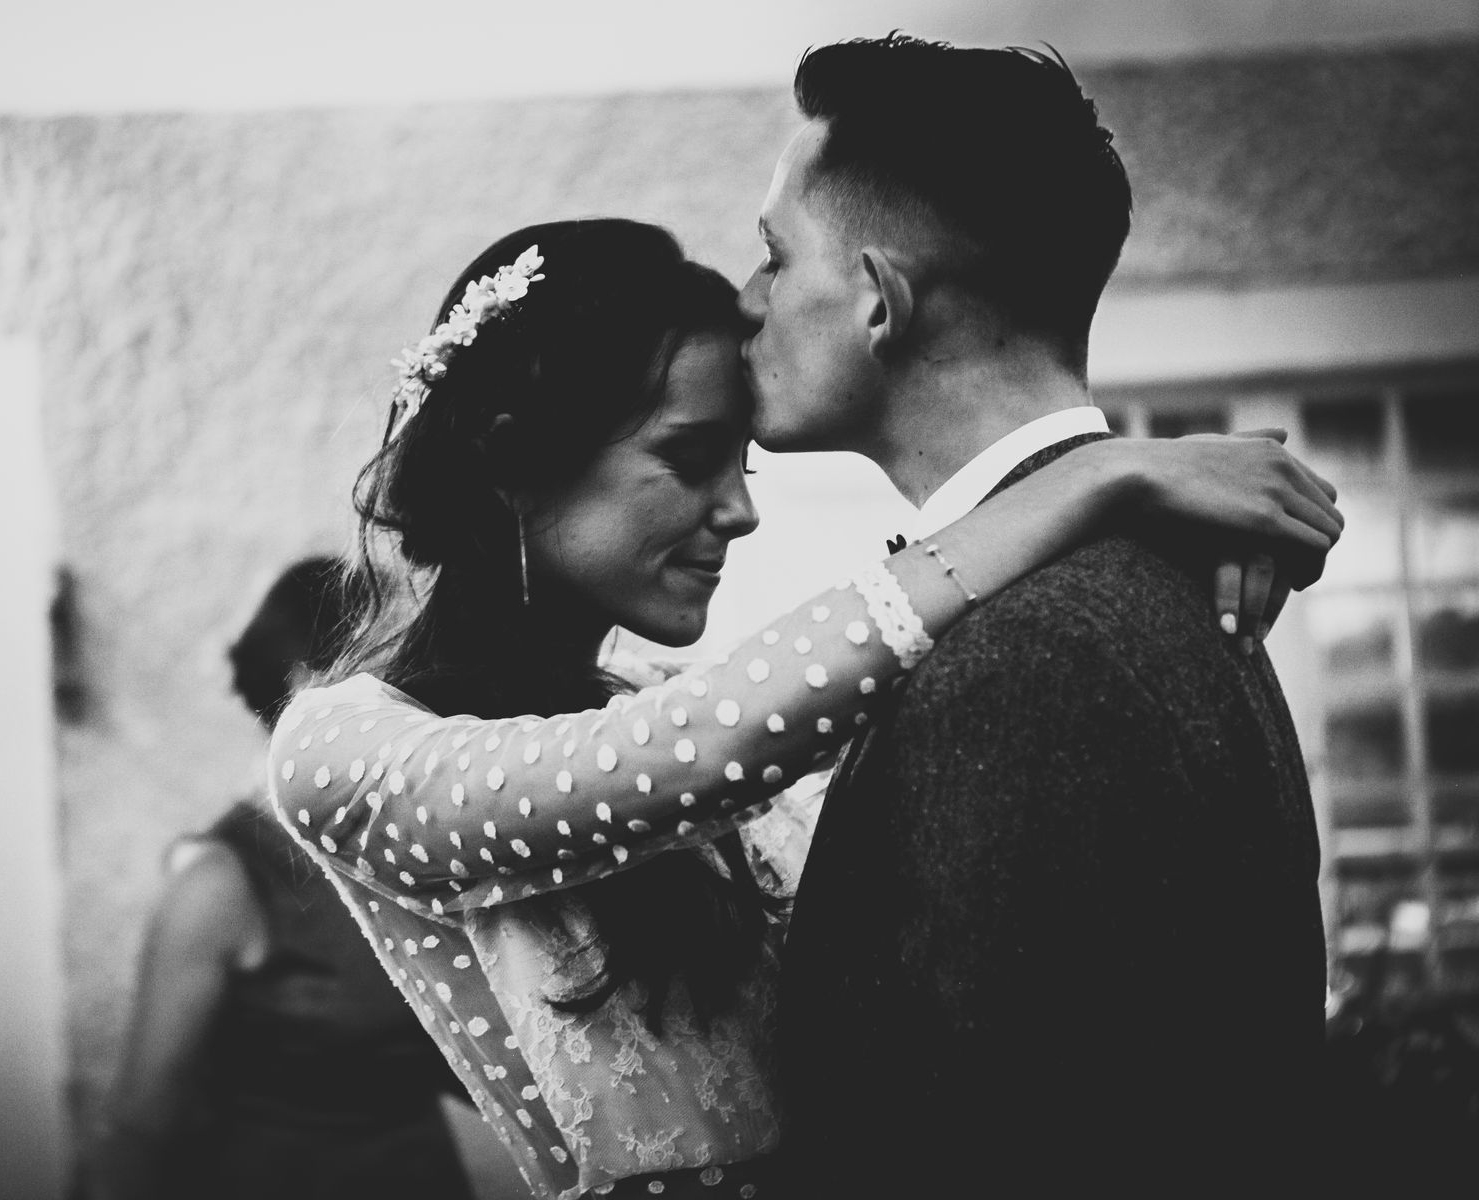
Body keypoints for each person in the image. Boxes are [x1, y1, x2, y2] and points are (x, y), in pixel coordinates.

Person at [265, 218, 1341, 1198]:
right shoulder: (339, 750)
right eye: (689, 459)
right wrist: (1101, 480)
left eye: (739, 462)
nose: (738, 511)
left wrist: (1153, 553)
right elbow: (694, 751)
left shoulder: (661, 698)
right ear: (512, 458)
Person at [741, 37, 1332, 1195]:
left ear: (877, 299)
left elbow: (1001, 1135)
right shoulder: (1146, 574)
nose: (746, 301)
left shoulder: (1025, 653)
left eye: (773, 256)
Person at [88, 556, 476, 1200]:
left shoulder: (410, 858)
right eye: (397, 667)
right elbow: (139, 1128)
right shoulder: (223, 884)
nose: (423, 691)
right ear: (310, 690)